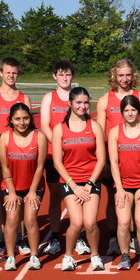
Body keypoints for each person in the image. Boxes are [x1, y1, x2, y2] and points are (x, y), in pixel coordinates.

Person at [97, 58, 140, 256]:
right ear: (114, 76)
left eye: (128, 75)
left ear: (133, 75)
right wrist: (103, 162)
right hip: (113, 159)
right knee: (114, 200)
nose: (125, 79)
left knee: (138, 202)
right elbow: (99, 134)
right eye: (121, 75)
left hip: (136, 158)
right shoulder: (105, 100)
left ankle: (136, 237)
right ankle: (113, 237)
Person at [53, 87, 106, 272]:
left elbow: (101, 159)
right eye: (78, 103)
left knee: (90, 223)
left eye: (85, 103)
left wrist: (89, 184)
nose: (83, 106)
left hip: (91, 182)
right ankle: (68, 256)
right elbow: (57, 162)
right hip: (70, 183)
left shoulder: (95, 127)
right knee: (76, 222)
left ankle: (95, 255)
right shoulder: (60, 129)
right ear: (70, 104)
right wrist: (74, 186)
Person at [0, 57, 31, 256]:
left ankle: (19, 238)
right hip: (0, 156)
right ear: (0, 73)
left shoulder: (24, 97)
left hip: (21, 156)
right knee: (3, 199)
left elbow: (30, 128)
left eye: (14, 72)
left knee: (20, 197)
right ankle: (4, 239)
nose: (11, 76)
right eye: (8, 72)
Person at [39, 59, 83, 256]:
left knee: (80, 195)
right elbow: (45, 125)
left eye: (68, 74)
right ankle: (56, 237)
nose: (65, 78)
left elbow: (85, 121)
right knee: (56, 196)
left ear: (72, 76)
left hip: (77, 155)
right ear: (54, 76)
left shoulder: (78, 95)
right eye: (61, 74)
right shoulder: (49, 98)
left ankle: (80, 237)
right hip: (54, 156)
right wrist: (59, 147)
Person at [108, 94, 140, 271]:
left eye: (133, 110)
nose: (130, 114)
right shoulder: (115, 132)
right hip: (123, 184)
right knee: (123, 222)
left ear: (139, 111)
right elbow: (113, 162)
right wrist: (119, 189)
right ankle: (125, 255)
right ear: (122, 112)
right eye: (126, 110)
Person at [0, 102, 46, 271]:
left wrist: (33, 191)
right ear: (11, 120)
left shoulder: (39, 136)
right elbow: (4, 168)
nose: (22, 122)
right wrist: (11, 192)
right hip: (11, 184)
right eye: (17, 119)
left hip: (34, 185)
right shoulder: (4, 138)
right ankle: (10, 256)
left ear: (31, 119)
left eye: (25, 118)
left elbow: (40, 167)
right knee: (11, 219)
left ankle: (34, 255)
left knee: (30, 219)